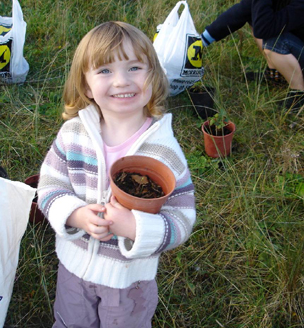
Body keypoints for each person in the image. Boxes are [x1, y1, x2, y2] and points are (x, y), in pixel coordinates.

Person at [37, 21, 196, 328]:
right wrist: (76, 215)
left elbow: (181, 218)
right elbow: (49, 187)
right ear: (85, 86)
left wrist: (136, 227)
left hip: (129, 281)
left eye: (135, 67)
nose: (122, 81)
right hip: (73, 271)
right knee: (70, 322)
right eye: (105, 71)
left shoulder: (164, 152)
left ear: (153, 76)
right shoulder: (73, 135)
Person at [201, 0, 304, 108]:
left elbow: (265, 29)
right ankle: (276, 75)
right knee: (258, 12)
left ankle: (299, 94)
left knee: (274, 39)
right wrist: (201, 42)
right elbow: (244, 9)